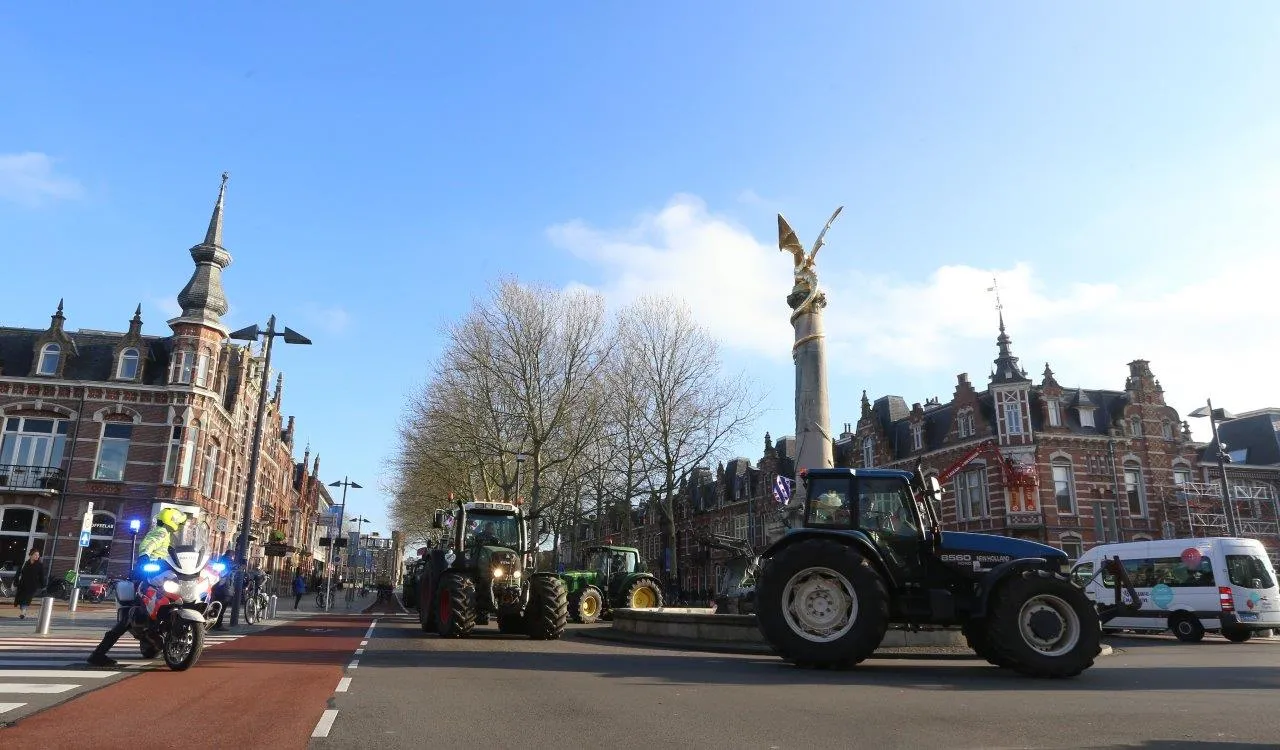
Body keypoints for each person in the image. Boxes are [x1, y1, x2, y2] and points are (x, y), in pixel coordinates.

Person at [87, 508, 187, 667]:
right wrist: (144, 559)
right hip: (150, 576)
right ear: (172, 520)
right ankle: (98, 654)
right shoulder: (160, 532)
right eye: (179, 523)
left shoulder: (167, 536)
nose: (180, 526)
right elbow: (147, 546)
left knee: (139, 611)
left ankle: (99, 653)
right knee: (134, 613)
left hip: (157, 576)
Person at [14, 549, 46, 619]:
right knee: (21, 599)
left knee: (27, 599)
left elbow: (42, 576)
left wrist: (43, 586)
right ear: (31, 555)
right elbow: (18, 573)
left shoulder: (40, 565)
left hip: (32, 586)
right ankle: (23, 611)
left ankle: (23, 612)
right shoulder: (25, 563)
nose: (37, 556)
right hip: (22, 585)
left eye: (38, 555)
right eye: (35, 555)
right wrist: (16, 582)